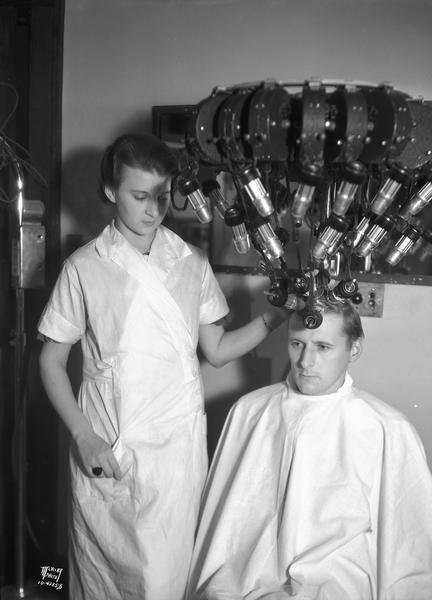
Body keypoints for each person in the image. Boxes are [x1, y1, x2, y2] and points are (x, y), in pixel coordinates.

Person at [37, 133, 288, 600]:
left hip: (176, 453)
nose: (153, 209)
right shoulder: (84, 267)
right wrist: (83, 435)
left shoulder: (190, 261)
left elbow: (215, 349)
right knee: (106, 577)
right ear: (111, 191)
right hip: (110, 445)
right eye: (138, 196)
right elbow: (51, 361)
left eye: (161, 196)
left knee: (168, 580)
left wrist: (275, 316)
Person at [185, 299, 432, 600]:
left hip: (343, 578)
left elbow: (416, 549)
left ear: (353, 349)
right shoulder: (251, 412)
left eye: (323, 347)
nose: (306, 362)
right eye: (297, 344)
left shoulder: (385, 427)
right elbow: (226, 534)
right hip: (250, 575)